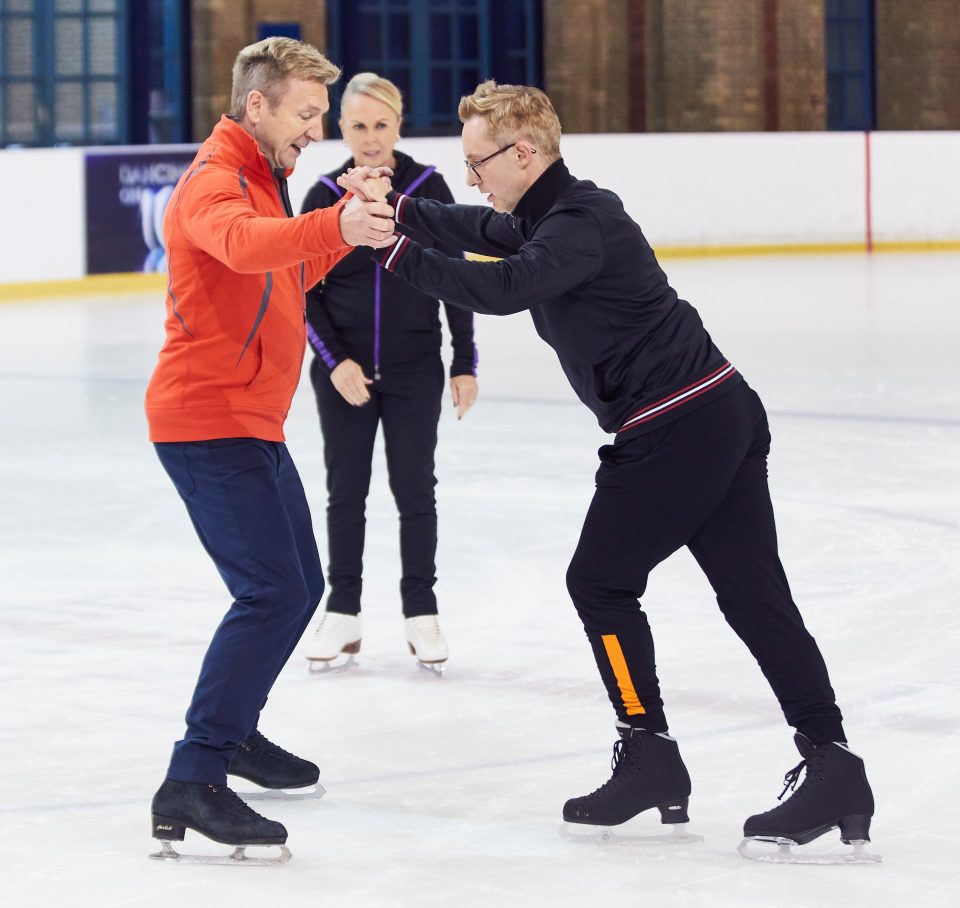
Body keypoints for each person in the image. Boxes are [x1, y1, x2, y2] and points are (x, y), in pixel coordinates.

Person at [339, 80, 876, 858]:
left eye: (478, 162)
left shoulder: (582, 220)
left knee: (601, 581)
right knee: (755, 598)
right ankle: (835, 768)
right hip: (713, 411)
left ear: (522, 153)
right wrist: (401, 211)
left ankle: (650, 753)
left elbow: (505, 285)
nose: (472, 177)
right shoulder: (543, 214)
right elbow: (477, 225)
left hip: (676, 426)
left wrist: (390, 248)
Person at [143, 37, 396, 862]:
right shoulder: (216, 182)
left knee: (298, 585)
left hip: (249, 420)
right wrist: (330, 220)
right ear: (258, 107)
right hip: (205, 420)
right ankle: (194, 774)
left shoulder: (264, 179)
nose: (316, 131)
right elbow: (247, 246)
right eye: (305, 113)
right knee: (271, 590)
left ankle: (235, 734)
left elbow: (284, 273)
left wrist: (346, 231)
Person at [299, 73, 478, 673]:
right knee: (345, 493)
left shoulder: (427, 189)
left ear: (398, 124)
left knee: (414, 489)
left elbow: (457, 278)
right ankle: (342, 613)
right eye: (357, 126)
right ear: (341, 129)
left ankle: (420, 613)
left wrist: (465, 362)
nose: (370, 139)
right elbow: (302, 293)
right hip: (342, 372)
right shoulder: (324, 194)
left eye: (381, 124)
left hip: (415, 367)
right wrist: (335, 361)